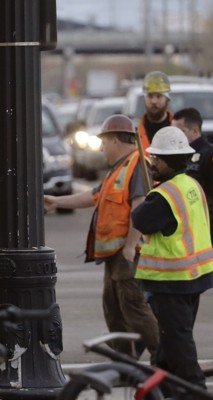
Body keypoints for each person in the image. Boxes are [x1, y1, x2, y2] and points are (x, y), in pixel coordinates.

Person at [44, 114, 160, 358]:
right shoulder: (118, 169)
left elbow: (140, 207)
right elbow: (93, 196)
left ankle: (165, 359)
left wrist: (130, 247)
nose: (102, 148)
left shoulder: (137, 165)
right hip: (113, 256)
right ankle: (126, 363)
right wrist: (57, 201)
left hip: (127, 254)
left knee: (135, 310)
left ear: (116, 140)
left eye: (104, 143)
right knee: (114, 311)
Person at [131, 126, 213, 400]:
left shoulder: (164, 195)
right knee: (171, 337)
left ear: (170, 161)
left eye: (157, 158)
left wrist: (149, 196)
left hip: (173, 278)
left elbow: (140, 219)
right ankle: (165, 388)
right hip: (195, 274)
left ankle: (194, 391)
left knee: (177, 338)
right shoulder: (192, 185)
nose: (153, 163)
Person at [172, 107, 213, 293]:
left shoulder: (211, 155)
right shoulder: (179, 157)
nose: (176, 136)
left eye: (181, 132)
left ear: (195, 131)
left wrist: (205, 216)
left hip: (212, 230)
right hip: (188, 231)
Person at [137, 71, 174, 150]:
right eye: (150, 96)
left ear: (167, 99)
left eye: (159, 96)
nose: (154, 101)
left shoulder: (179, 128)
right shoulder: (135, 129)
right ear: (144, 99)